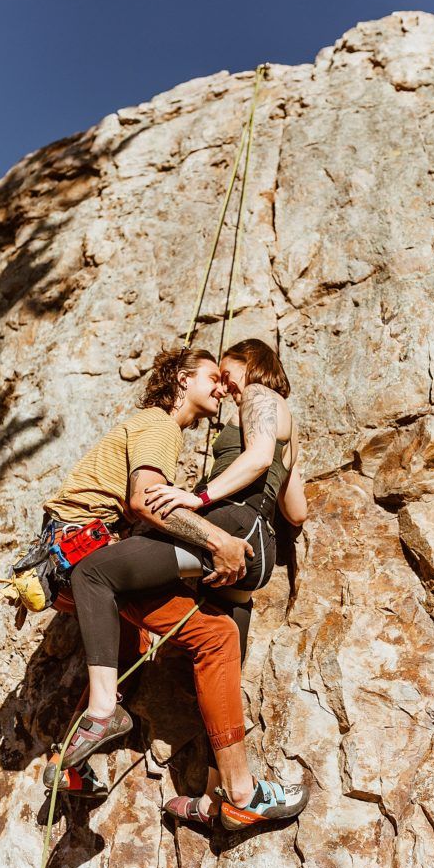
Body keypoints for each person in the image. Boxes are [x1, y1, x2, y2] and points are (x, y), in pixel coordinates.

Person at [65, 338, 308, 830]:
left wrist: (200, 496)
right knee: (219, 651)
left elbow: (259, 456)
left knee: (94, 572)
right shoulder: (293, 430)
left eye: (227, 371)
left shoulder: (260, 396)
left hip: (231, 529)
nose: (224, 383)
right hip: (258, 545)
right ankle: (228, 795)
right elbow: (296, 509)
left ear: (249, 365)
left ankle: (101, 710)